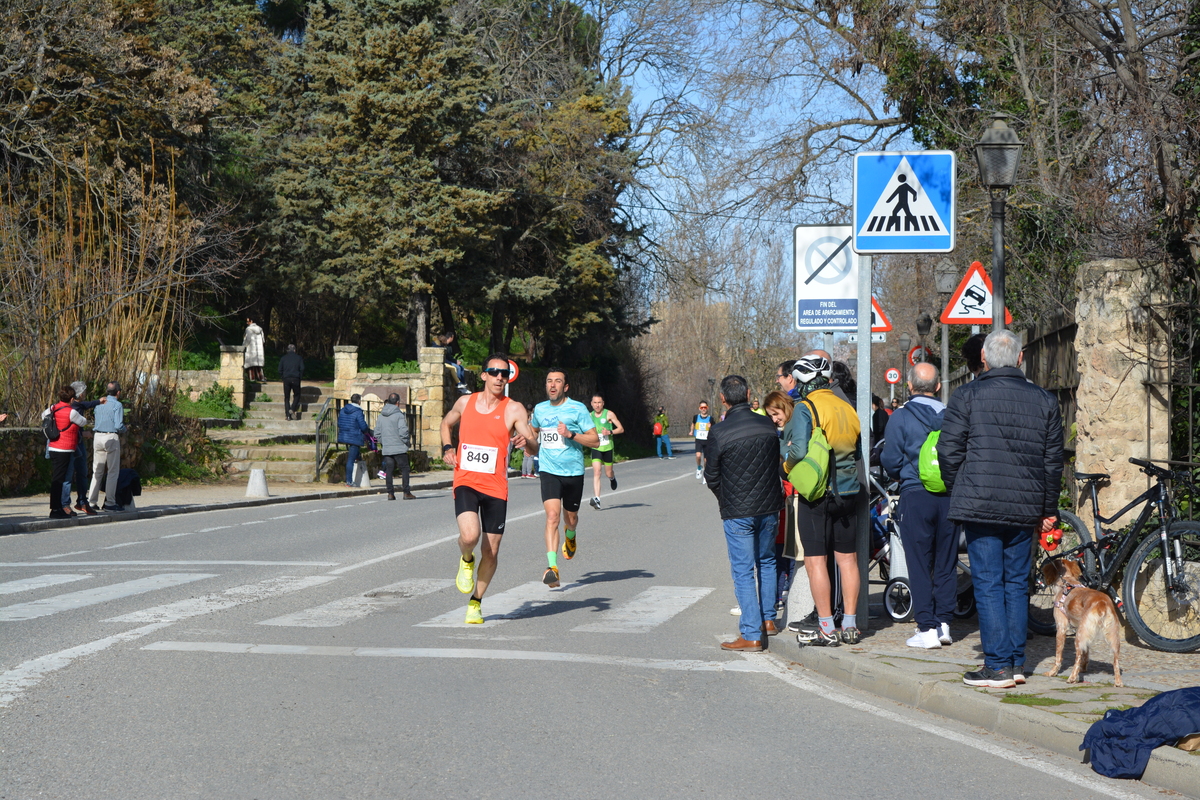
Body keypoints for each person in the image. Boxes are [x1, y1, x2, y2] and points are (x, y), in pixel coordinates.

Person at [938, 330, 1063, 689]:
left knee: (989, 583)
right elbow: (1052, 461)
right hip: (1025, 506)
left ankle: (996, 666)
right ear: (1020, 359)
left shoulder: (967, 395)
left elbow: (948, 451)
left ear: (984, 360)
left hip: (980, 504)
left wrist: (959, 487)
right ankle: (1016, 663)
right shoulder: (1045, 400)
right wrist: (1048, 507)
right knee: (1015, 584)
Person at [442, 354, 538, 624]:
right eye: (494, 372)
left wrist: (526, 441)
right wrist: (449, 447)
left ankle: (476, 602)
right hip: (466, 481)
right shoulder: (465, 402)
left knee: (492, 551)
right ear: (483, 375)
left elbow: (533, 447)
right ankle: (466, 558)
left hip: (496, 487)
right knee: (470, 536)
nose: (499, 377)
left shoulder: (514, 409)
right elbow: (445, 424)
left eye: (504, 374)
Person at [787, 353, 863, 647]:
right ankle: (851, 626)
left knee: (815, 561)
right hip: (849, 491)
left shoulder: (806, 407)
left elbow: (798, 451)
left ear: (804, 379)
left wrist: (786, 464)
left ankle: (826, 628)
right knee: (848, 560)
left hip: (819, 493)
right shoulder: (846, 405)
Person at [705, 374, 785, 651]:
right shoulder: (766, 424)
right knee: (767, 561)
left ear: (723, 399)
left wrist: (726, 499)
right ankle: (768, 621)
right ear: (749, 394)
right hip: (770, 505)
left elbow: (711, 476)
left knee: (742, 570)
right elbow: (776, 462)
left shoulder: (718, 432)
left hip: (738, 510)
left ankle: (751, 633)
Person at [880, 363, 956, 649]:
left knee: (919, 563)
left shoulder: (900, 417)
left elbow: (890, 460)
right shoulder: (952, 416)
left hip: (915, 494)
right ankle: (945, 624)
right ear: (938, 387)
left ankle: (926, 629)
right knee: (946, 561)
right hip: (949, 496)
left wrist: (904, 473)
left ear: (909, 387)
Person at [530, 369, 600, 587]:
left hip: (573, 473)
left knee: (570, 519)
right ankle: (553, 567)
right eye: (549, 381)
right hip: (549, 471)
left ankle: (571, 535)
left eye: (558, 381)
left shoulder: (578, 409)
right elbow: (533, 435)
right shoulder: (539, 410)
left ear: (565, 387)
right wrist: (526, 442)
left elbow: (595, 441)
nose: (552, 385)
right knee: (552, 517)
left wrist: (571, 434)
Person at [43, 386, 88, 519]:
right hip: (65, 447)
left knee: (58, 478)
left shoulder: (53, 408)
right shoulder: (72, 412)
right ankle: (56, 509)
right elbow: (83, 421)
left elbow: (43, 415)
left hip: (53, 446)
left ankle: (56, 507)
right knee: (59, 480)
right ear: (72, 399)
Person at [88, 382, 126, 512]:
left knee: (97, 471)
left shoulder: (100, 403)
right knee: (112, 472)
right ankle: (110, 502)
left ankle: (91, 502)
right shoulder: (117, 405)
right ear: (118, 392)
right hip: (111, 437)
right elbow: (118, 425)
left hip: (98, 436)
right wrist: (125, 429)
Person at [586, 394, 624, 509]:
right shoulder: (589, 416)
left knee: (608, 473)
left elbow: (621, 429)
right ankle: (597, 499)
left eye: (599, 403)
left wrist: (610, 432)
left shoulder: (609, 414)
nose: (597, 405)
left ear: (603, 403)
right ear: (591, 404)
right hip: (596, 447)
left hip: (607, 447)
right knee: (597, 472)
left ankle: (612, 478)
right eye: (595, 403)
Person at [374, 392, 414, 500]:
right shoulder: (399, 415)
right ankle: (406, 492)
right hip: (399, 447)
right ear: (397, 403)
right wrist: (406, 442)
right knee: (405, 469)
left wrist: (384, 442)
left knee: (389, 470)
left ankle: (390, 493)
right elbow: (403, 432)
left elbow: (377, 433)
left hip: (387, 448)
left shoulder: (381, 416)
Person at [336, 393, 370, 487]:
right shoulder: (358, 411)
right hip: (354, 436)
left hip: (344, 435)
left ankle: (359, 476)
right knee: (350, 460)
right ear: (359, 401)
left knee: (356, 456)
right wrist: (367, 432)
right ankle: (349, 482)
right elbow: (363, 426)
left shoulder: (343, 410)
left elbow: (339, 423)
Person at [689, 401, 714, 483]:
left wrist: (711, 427)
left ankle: (705, 475)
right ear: (699, 408)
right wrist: (691, 431)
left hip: (707, 440)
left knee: (706, 460)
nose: (703, 409)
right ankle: (699, 468)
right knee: (698, 456)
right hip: (699, 439)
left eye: (705, 407)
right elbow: (693, 424)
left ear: (707, 408)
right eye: (702, 407)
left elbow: (714, 429)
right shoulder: (696, 417)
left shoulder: (710, 418)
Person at [278, 345, 305, 420]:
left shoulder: (283, 358)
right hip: (295, 378)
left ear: (287, 350)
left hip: (286, 378)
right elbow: (302, 368)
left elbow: (279, 369)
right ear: (295, 350)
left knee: (287, 397)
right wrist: (300, 377)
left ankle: (288, 415)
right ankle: (292, 409)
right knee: (297, 395)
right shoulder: (299, 358)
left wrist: (283, 377)